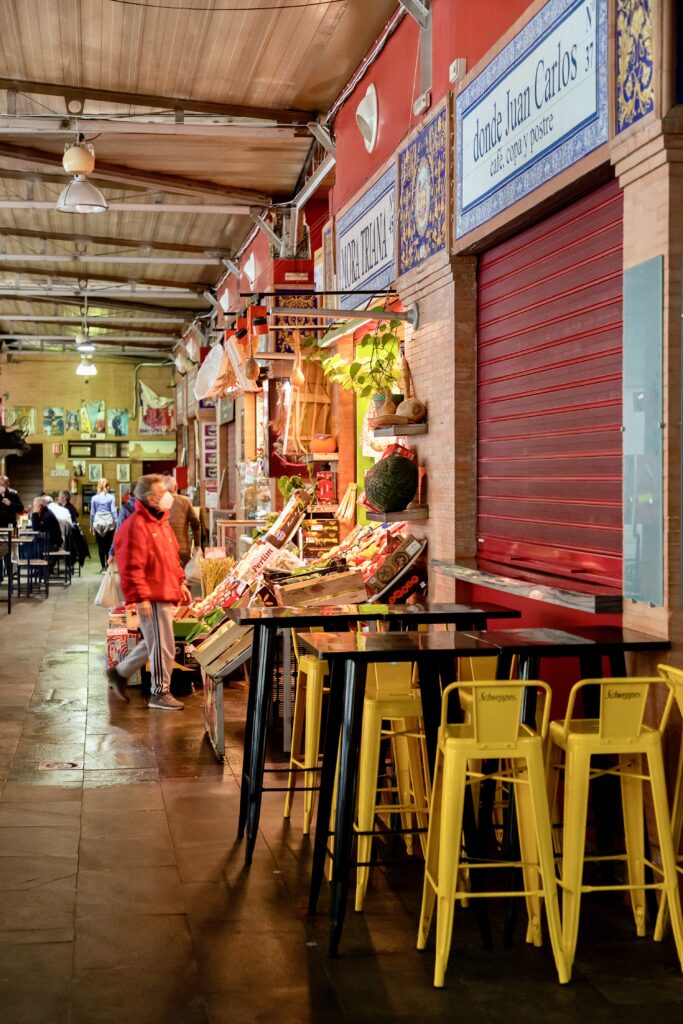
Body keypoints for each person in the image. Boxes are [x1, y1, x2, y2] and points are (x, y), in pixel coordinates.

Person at [106, 474, 191, 711]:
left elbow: (170, 556)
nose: (168, 497)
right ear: (152, 498)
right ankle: (160, 693)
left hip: (163, 590)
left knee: (155, 641)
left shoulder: (160, 522)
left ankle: (119, 673)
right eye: (163, 492)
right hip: (151, 595)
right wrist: (140, 597)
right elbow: (132, 566)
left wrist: (180, 582)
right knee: (163, 644)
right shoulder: (134, 526)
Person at [162, 474, 201, 567]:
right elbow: (195, 523)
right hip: (182, 549)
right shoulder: (185, 501)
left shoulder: (158, 502)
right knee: (181, 578)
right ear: (176, 487)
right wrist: (197, 544)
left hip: (163, 549)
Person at [90, 478, 117, 573]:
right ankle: (109, 566)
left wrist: (91, 525)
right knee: (109, 545)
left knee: (101, 546)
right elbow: (113, 511)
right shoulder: (111, 497)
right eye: (108, 486)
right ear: (106, 486)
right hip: (109, 523)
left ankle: (103, 567)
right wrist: (117, 521)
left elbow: (92, 513)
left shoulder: (94, 498)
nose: (109, 488)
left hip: (98, 523)